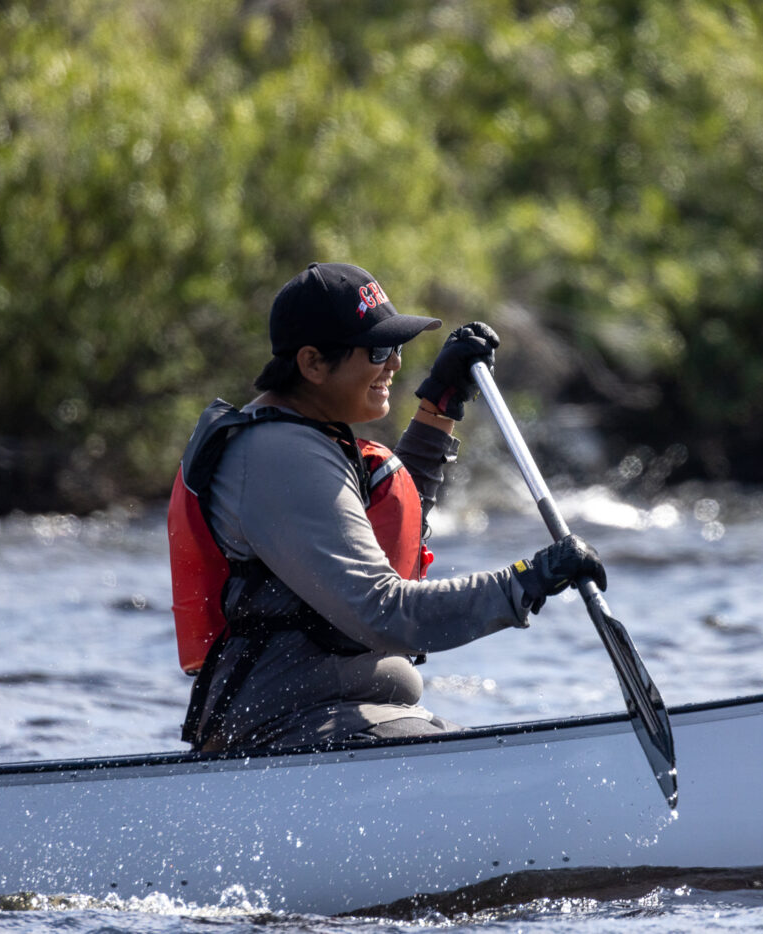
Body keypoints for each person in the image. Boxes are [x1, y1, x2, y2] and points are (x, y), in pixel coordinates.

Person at [169, 261, 606, 752]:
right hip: (288, 727)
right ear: (312, 363)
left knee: (458, 740)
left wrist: (438, 408)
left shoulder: (305, 439)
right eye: (378, 349)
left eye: (397, 347)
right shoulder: (278, 456)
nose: (394, 364)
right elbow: (383, 611)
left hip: (347, 717)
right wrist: (526, 580)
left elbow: (394, 519)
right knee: (472, 755)